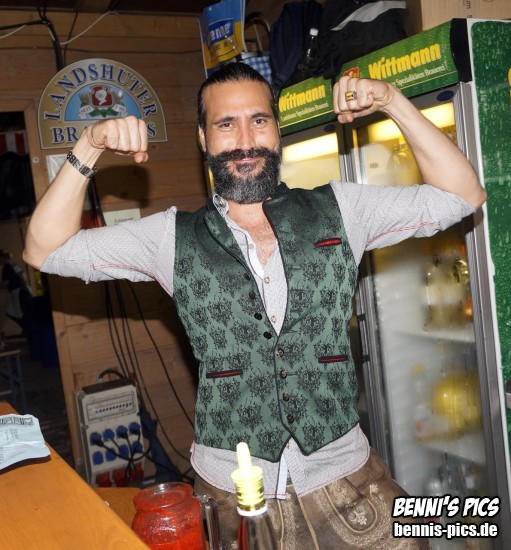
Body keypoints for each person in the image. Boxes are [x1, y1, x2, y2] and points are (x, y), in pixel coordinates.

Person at [23, 63, 485, 549]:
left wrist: (392, 101)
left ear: (277, 131)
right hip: (232, 499)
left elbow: (463, 194)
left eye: (259, 121)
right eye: (226, 124)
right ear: (203, 138)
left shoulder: (344, 209)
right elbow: (43, 249)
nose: (245, 141)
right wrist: (89, 145)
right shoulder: (169, 238)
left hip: (348, 480)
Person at [0, 249, 34, 350]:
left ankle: (28, 332)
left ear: (2, 258)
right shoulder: (15, 265)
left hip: (19, 292)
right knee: (11, 311)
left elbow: (5, 283)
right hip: (25, 291)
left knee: (20, 314)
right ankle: (26, 330)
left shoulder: (6, 267)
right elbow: (24, 277)